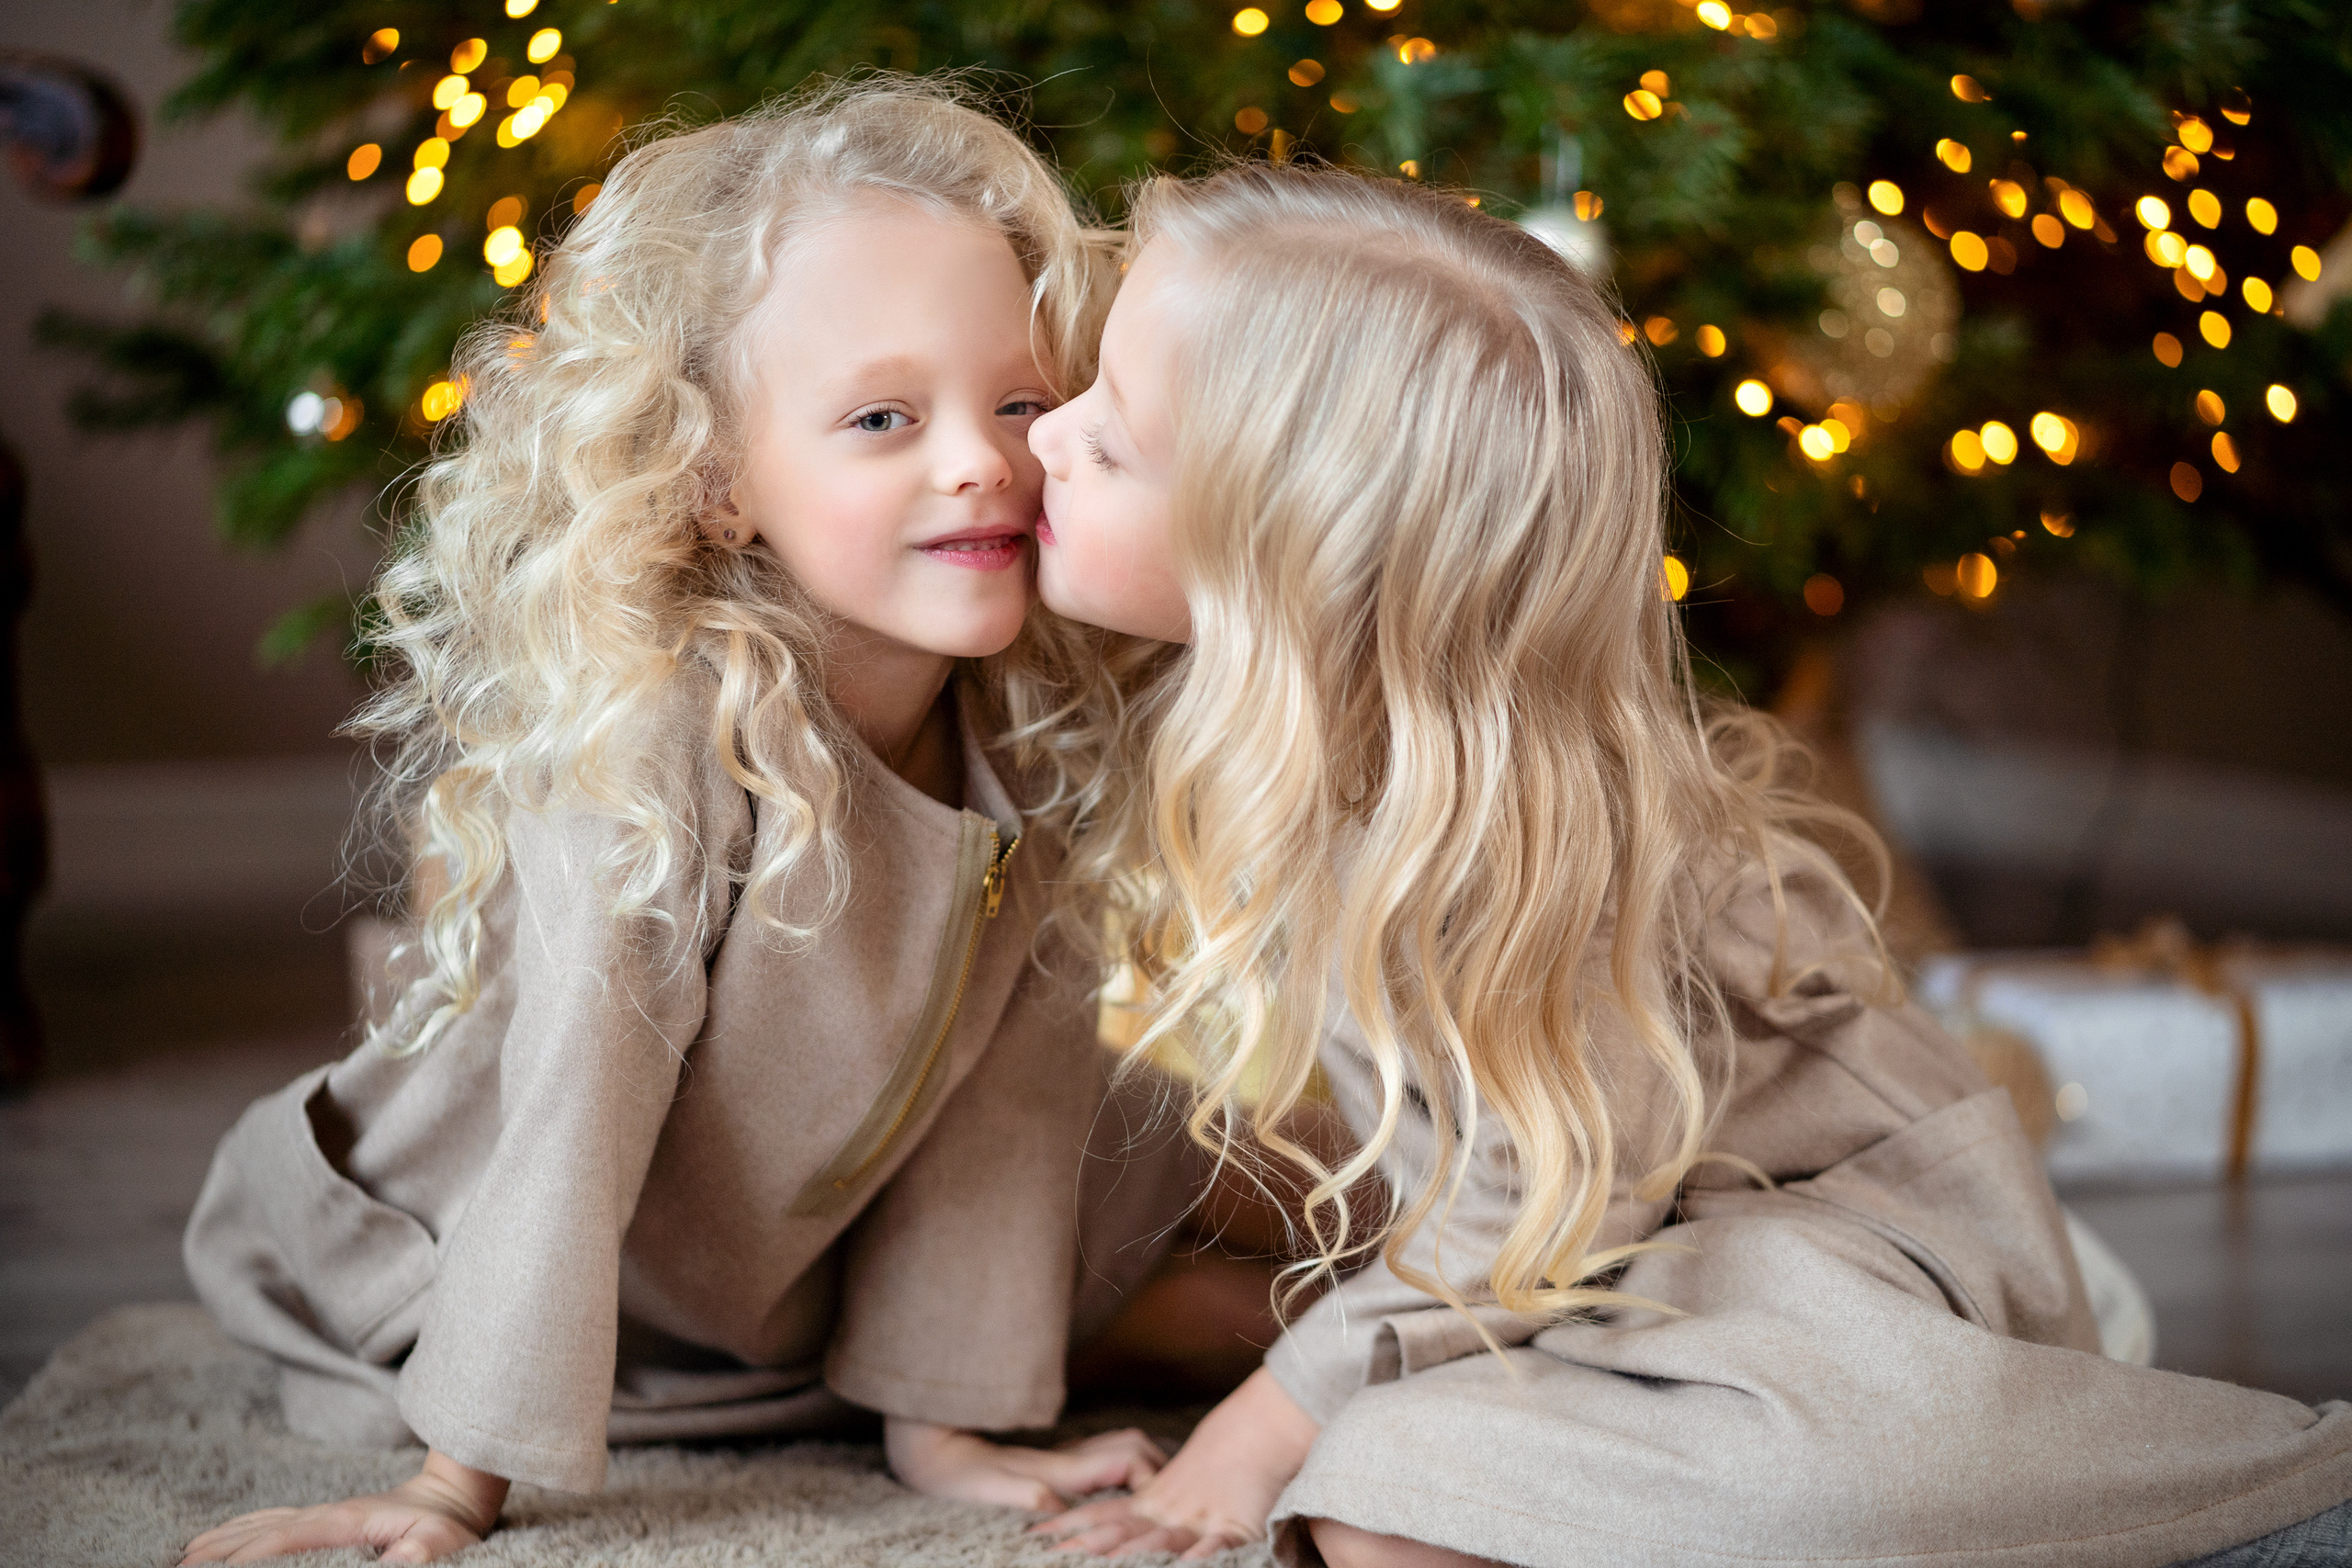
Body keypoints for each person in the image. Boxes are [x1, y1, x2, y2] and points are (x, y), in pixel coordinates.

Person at [1020, 162, 2352, 1567]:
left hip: (1826, 1261)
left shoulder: (1501, 839)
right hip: (1607, 1268)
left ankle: (2246, 1498)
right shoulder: (1293, 746)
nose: (1048, 437)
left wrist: (1263, 1421)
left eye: (1111, 444)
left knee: (1372, 1480)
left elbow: (1534, 1206)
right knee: (1390, 1500)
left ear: (1289, 567)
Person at [177, 80, 1193, 1566]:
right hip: (445, 1257)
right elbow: (571, 1107)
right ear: (718, 483)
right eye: (881, 418)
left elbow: (1007, 1096)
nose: (982, 458)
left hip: (767, 1272)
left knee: (1184, 1190)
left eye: (1023, 401)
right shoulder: (662, 737)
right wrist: (451, 1487)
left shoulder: (1029, 722)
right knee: (1179, 1266)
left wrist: (941, 1415)